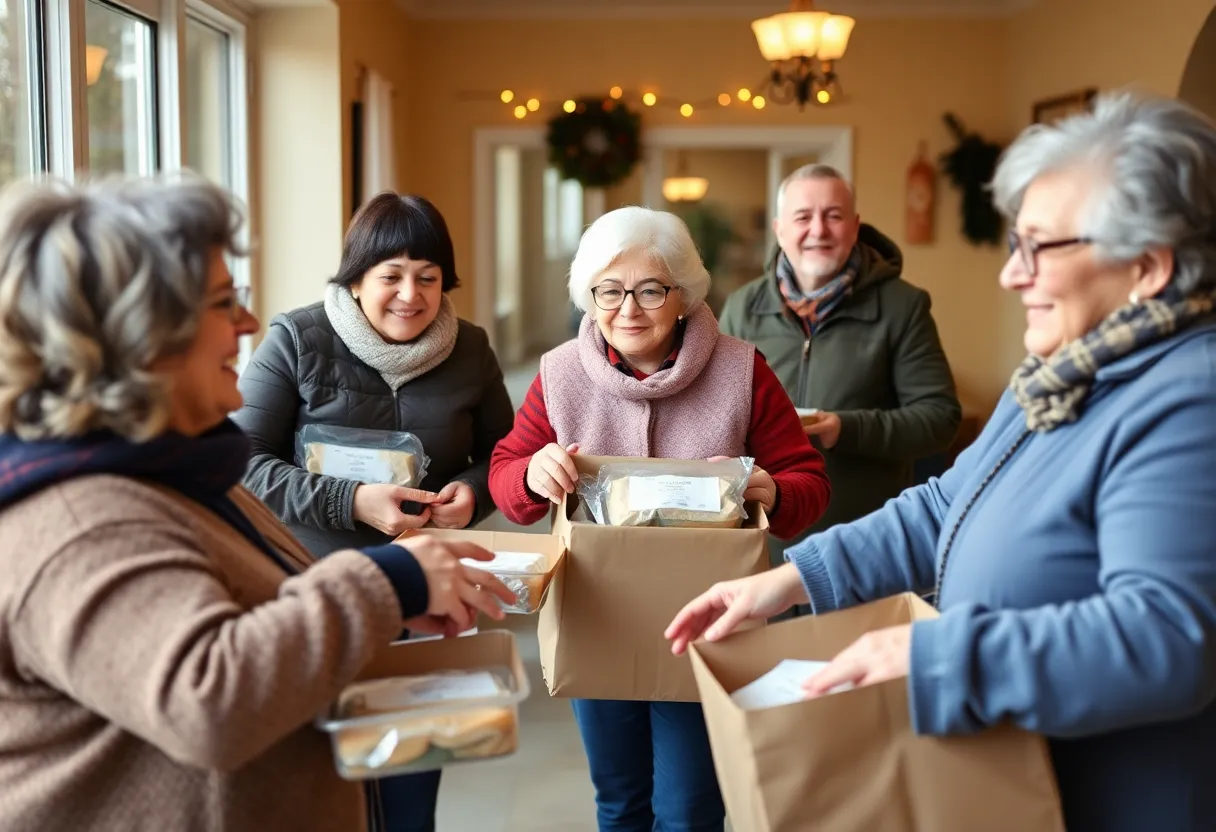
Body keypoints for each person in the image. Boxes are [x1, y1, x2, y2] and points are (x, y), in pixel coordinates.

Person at [666, 93, 1216, 832]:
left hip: (1113, 796)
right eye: (1012, 245)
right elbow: (941, 502)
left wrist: (935, 653)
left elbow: (1166, 639)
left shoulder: (1189, 400)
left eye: (1039, 248)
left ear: (1148, 267)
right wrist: (787, 581)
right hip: (1015, 773)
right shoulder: (1059, 374)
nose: (1010, 277)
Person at [0, 175, 514, 832]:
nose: (247, 323)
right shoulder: (81, 522)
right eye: (223, 302)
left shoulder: (169, 471)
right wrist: (393, 576)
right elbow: (210, 699)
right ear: (138, 332)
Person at [489, 206, 832, 831]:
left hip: (706, 625)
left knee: (692, 808)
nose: (628, 308)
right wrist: (531, 473)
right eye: (609, 291)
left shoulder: (741, 369)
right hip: (597, 618)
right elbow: (508, 478)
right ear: (589, 297)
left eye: (650, 289)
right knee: (619, 804)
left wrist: (772, 489)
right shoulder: (560, 373)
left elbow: (809, 483)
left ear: (684, 293)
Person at [232, 191, 515, 832]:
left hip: (420, 601)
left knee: (410, 786)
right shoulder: (296, 340)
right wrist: (350, 500)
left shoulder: (469, 349)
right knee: (316, 794)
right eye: (390, 276)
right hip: (307, 598)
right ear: (356, 277)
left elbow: (504, 453)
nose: (410, 296)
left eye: (428, 278)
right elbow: (239, 460)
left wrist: (473, 493)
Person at [719, 164, 961, 569]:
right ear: (780, 229)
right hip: (762, 546)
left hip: (861, 545)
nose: (819, 230)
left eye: (833, 215)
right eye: (803, 217)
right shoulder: (742, 307)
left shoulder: (903, 307)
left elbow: (940, 419)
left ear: (855, 225)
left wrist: (845, 428)